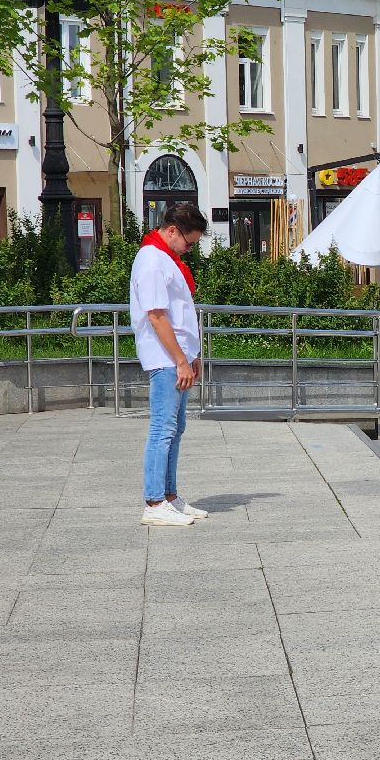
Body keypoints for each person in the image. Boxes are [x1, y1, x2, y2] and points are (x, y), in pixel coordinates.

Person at [130, 202, 210, 528]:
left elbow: (178, 314)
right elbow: (157, 315)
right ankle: (154, 501)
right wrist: (180, 359)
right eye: (188, 242)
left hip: (176, 358)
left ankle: (169, 496)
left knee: (175, 429)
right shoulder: (151, 260)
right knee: (163, 430)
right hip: (165, 359)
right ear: (173, 230)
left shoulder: (165, 258)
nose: (189, 250)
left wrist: (192, 355)